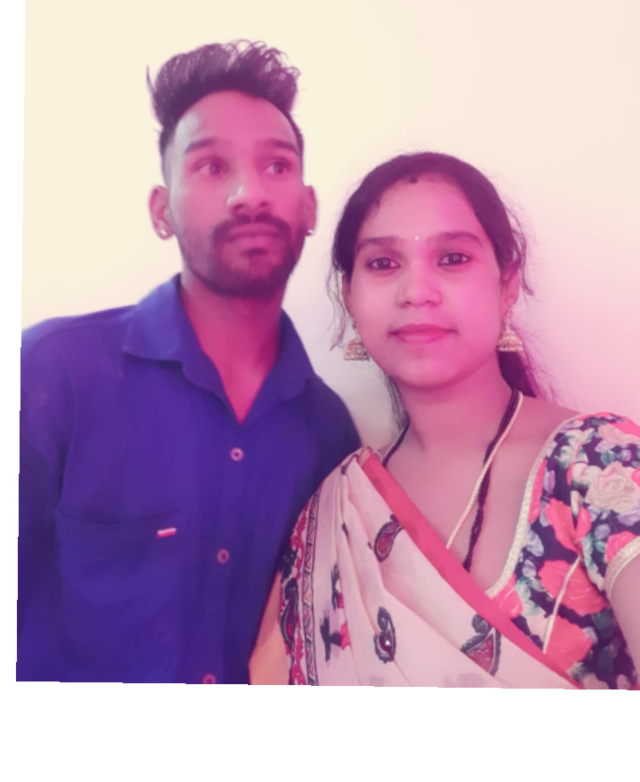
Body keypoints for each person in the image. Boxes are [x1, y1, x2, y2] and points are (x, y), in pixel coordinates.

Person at [18, 41, 360, 685]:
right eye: (211, 166)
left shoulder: (329, 435)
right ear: (161, 211)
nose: (249, 194)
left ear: (309, 207)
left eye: (277, 165)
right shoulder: (52, 375)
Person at [250, 151, 640, 690]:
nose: (416, 291)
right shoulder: (333, 515)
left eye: (453, 258)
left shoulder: (601, 467)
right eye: (383, 263)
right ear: (349, 296)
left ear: (507, 285)